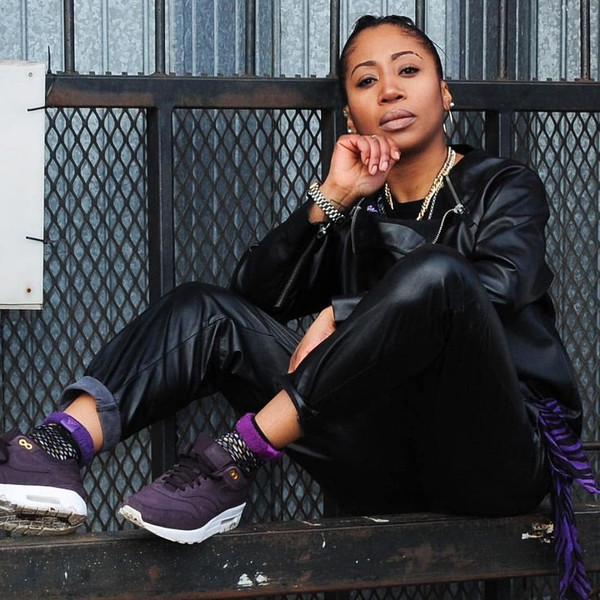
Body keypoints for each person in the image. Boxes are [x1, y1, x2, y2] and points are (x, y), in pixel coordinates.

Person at [0, 14, 595, 599]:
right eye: (366, 81)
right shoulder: (359, 209)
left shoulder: (502, 186)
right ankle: (55, 448)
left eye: (408, 71)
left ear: (444, 94)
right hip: (387, 460)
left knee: (438, 274)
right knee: (204, 309)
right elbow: (255, 297)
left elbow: (499, 285)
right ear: (352, 115)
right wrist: (332, 198)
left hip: (494, 456)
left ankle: (236, 456)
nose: (389, 90)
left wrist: (341, 314)